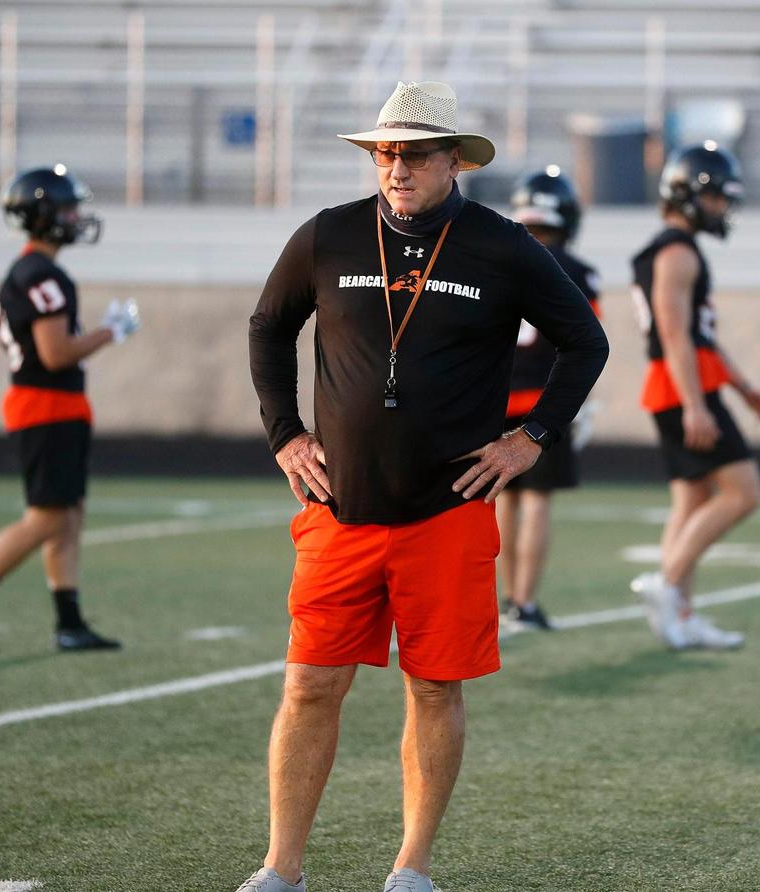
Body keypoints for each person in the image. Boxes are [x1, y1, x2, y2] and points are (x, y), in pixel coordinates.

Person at [241, 81, 608, 892]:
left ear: (453, 161)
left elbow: (585, 341)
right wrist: (285, 434)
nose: (396, 168)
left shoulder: (502, 245)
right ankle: (281, 868)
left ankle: (411, 866)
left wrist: (532, 438)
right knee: (308, 684)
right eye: (385, 153)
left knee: (435, 689)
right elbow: (269, 327)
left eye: (413, 154)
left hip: (448, 510)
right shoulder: (329, 234)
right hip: (339, 509)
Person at [0, 165, 140, 654]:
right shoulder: (41, 275)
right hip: (45, 408)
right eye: (66, 210)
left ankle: (69, 622)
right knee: (48, 518)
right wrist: (110, 332)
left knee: (68, 515)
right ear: (42, 216)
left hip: (55, 407)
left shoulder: (33, 273)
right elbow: (55, 354)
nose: (75, 218)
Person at [628, 142, 760, 650]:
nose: (722, 208)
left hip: (681, 383)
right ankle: (667, 585)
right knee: (744, 492)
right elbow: (675, 336)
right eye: (716, 197)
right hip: (682, 388)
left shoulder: (676, 249)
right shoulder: (676, 252)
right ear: (688, 194)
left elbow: (700, 337)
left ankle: (681, 614)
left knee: (692, 500)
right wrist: (695, 405)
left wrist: (744, 388)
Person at [498, 167, 601, 631]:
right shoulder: (577, 270)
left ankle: (506, 599)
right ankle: (526, 603)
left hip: (495, 400)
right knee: (537, 499)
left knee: (503, 499)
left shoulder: (498, 259)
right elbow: (587, 342)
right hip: (545, 403)